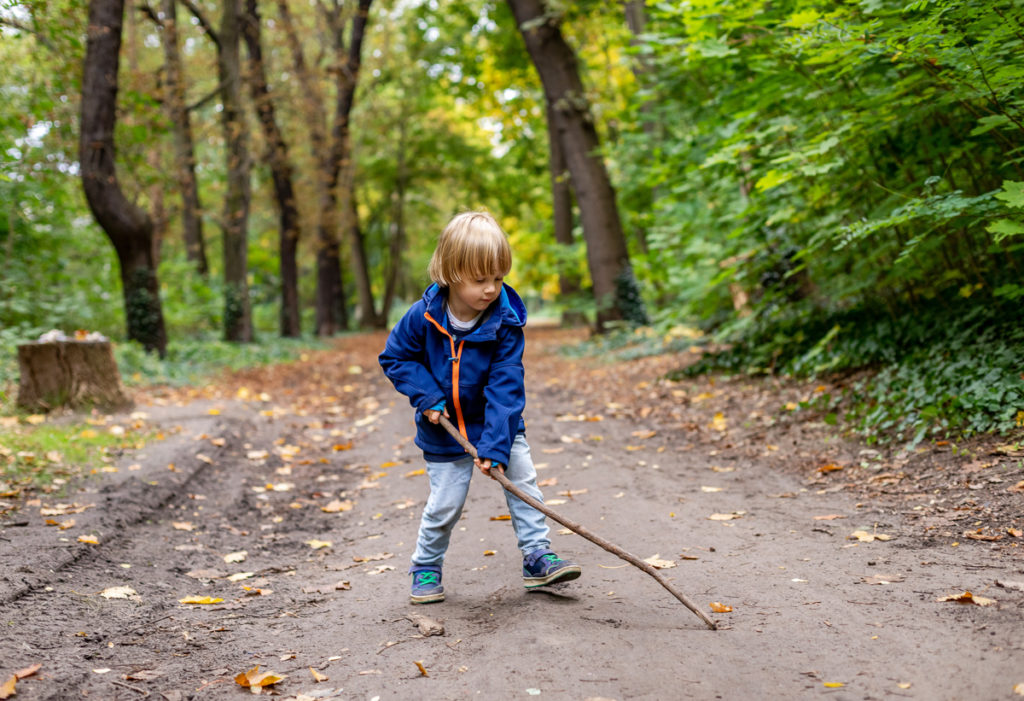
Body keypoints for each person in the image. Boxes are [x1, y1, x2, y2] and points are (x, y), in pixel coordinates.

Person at [379, 211, 581, 604]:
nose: (491, 289)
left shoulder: (504, 322)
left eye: (498, 278)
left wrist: (496, 445)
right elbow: (395, 358)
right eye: (480, 280)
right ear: (451, 273)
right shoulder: (421, 317)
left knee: (524, 483)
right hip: (444, 430)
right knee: (445, 505)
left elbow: (507, 385)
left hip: (498, 425)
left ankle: (537, 557)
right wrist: (427, 397)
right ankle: (426, 565)